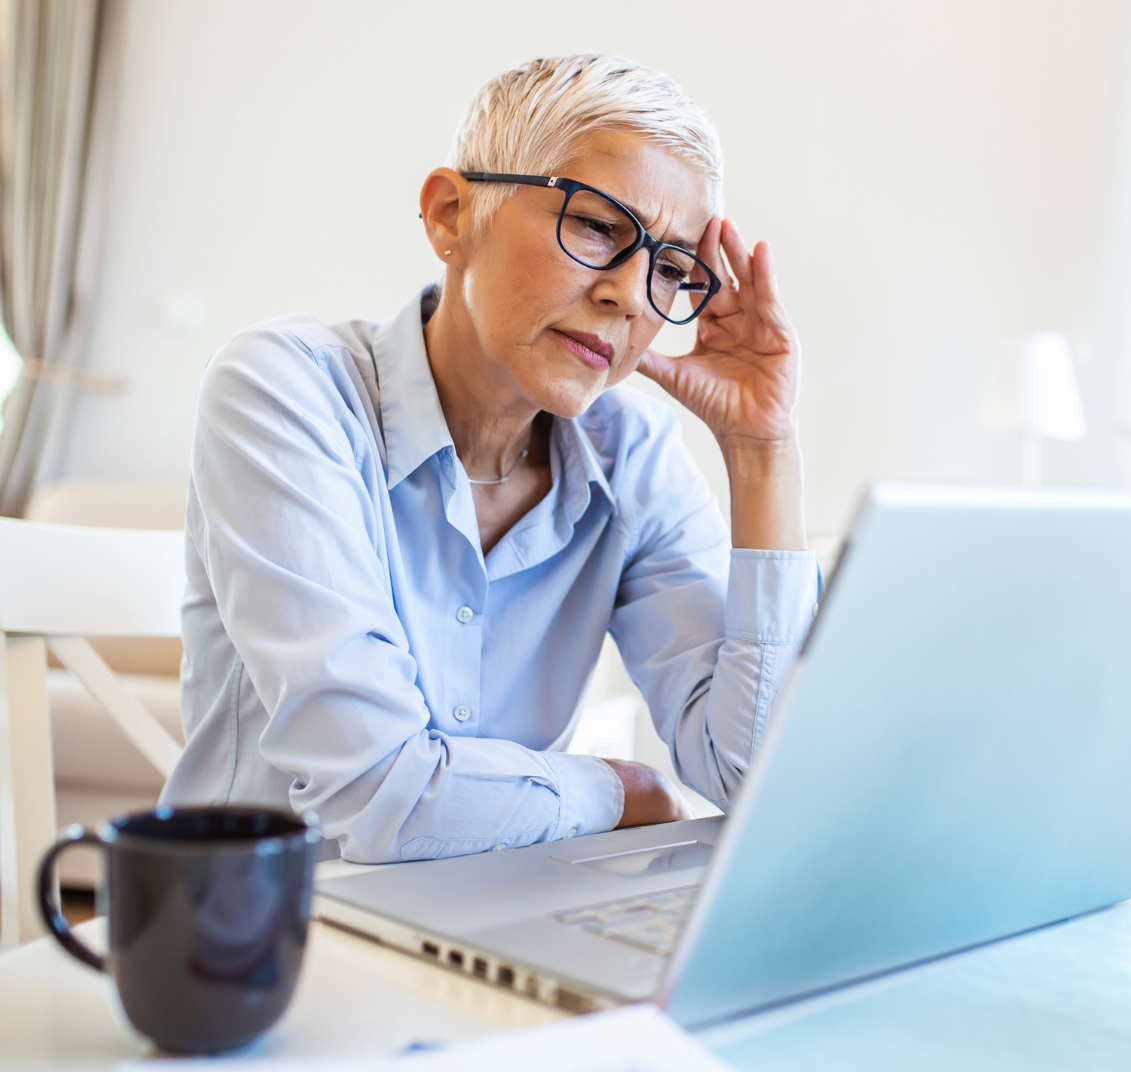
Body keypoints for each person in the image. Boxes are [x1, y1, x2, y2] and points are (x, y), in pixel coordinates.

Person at [160, 54, 818, 863]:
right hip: (264, 946)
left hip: (500, 932)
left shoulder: (634, 455)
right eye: (598, 227)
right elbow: (375, 794)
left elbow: (757, 778)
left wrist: (762, 451)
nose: (627, 293)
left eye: (672, 268)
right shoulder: (284, 392)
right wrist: (620, 791)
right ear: (449, 216)